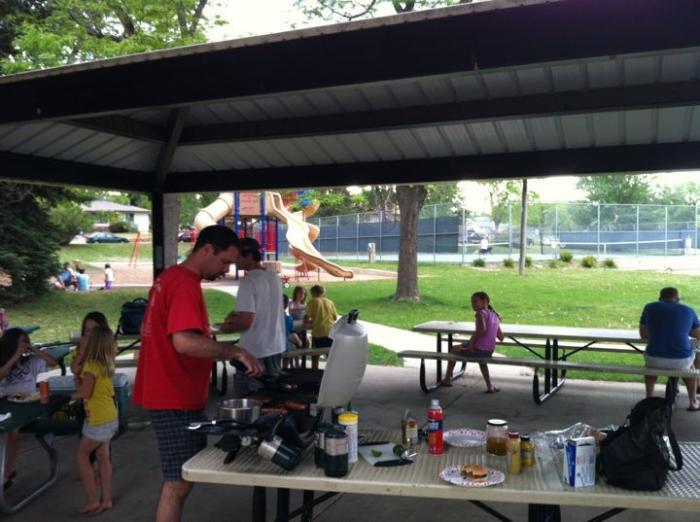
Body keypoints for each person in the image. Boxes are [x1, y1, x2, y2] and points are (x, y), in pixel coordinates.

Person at [132, 225, 263, 522]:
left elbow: (155, 330)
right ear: (206, 250)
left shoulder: (169, 277)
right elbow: (184, 342)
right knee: (178, 483)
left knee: (181, 479)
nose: (226, 269)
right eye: (224, 262)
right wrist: (234, 351)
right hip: (172, 396)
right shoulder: (184, 283)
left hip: (171, 392)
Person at [220, 237, 286, 396]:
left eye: (238, 256)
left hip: (254, 351)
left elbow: (245, 322)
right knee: (273, 396)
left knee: (250, 400)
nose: (234, 261)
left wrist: (224, 328)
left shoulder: (248, 282)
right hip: (276, 346)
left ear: (249, 256)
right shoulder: (274, 277)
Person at [0, 328, 58, 490]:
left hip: (28, 404)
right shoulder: (4, 362)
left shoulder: (32, 361)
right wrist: (15, 357)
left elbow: (53, 362)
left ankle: (8, 472)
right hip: (6, 402)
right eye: (20, 343)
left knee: (13, 430)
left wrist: (34, 349)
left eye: (26, 342)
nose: (23, 346)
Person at [74, 325, 118, 515]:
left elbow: (85, 393)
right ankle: (106, 499)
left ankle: (93, 501)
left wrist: (74, 387)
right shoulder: (106, 363)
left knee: (82, 456)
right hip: (110, 417)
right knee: (103, 457)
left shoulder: (91, 365)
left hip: (98, 421)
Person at [639, 287, 700, 411]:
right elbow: (698, 335)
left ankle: (648, 398)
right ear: (678, 299)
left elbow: (643, 334)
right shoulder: (688, 310)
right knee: (691, 368)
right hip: (681, 361)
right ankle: (693, 402)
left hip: (654, 359)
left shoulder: (649, 308)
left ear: (660, 298)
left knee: (649, 368)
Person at [441, 291, 504, 393]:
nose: (472, 304)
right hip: (489, 351)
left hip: (478, 350)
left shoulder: (480, 314)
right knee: (482, 361)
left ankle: (447, 379)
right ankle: (489, 386)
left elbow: (482, 329)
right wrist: (494, 326)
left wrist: (471, 341)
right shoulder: (495, 316)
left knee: (453, 349)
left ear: (484, 301)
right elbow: (501, 337)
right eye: (472, 302)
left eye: (475, 301)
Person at [303, 285, 338, 370]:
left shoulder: (312, 302)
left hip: (318, 333)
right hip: (330, 332)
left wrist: (313, 321)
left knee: (315, 355)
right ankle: (332, 372)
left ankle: (314, 371)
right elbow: (335, 318)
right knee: (330, 355)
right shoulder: (330, 302)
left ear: (313, 293)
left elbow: (306, 319)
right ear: (323, 293)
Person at [71, 311, 110, 381]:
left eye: (95, 330)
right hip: (83, 385)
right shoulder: (80, 349)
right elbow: (74, 369)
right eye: (87, 330)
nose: (91, 334)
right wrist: (82, 351)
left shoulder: (106, 348)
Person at [282, 294, 304, 369]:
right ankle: (286, 367)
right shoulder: (288, 318)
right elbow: (291, 332)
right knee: (292, 346)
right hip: (283, 345)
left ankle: (289, 366)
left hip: (272, 345)